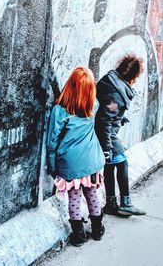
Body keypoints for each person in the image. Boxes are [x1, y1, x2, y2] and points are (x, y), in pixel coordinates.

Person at [47, 67, 106, 246]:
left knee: (74, 197)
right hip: (91, 161)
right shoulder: (93, 106)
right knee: (91, 193)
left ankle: (78, 234)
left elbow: (51, 142)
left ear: (69, 85)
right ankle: (97, 229)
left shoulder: (59, 111)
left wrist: (52, 166)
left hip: (70, 163)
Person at [95, 54, 146, 217]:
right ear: (132, 75)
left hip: (104, 133)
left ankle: (111, 204)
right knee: (122, 162)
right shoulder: (117, 93)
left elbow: (106, 109)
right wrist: (107, 149)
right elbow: (105, 121)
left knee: (109, 167)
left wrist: (119, 116)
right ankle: (125, 203)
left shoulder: (111, 80)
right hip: (107, 136)